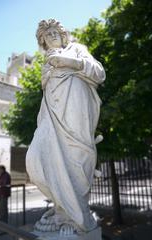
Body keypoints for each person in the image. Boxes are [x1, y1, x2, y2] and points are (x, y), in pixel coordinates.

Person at [26, 19, 105, 234]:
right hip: (51, 117)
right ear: (43, 42)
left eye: (55, 32)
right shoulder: (46, 62)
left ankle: (71, 217)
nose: (51, 35)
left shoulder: (77, 49)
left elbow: (99, 73)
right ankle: (62, 208)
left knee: (74, 162)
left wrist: (72, 63)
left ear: (63, 35)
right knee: (36, 161)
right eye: (47, 34)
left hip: (76, 114)